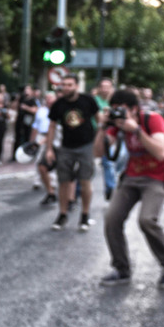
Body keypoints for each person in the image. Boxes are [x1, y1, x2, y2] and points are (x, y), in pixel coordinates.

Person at [95, 89, 164, 287]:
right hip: (132, 176)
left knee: (146, 220)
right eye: (114, 110)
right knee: (112, 218)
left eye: (122, 110)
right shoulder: (117, 124)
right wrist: (102, 127)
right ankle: (121, 268)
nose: (118, 114)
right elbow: (99, 152)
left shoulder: (152, 119)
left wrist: (136, 130)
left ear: (134, 109)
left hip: (157, 177)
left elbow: (160, 153)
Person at [45, 74, 100, 231]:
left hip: (86, 145)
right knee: (64, 181)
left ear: (76, 86)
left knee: (85, 181)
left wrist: (98, 142)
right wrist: (49, 149)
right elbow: (52, 127)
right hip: (66, 147)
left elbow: (99, 119)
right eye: (64, 85)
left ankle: (85, 215)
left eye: (69, 85)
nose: (66, 87)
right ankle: (62, 214)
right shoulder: (58, 105)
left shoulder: (87, 100)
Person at [29, 91, 58, 205]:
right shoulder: (40, 111)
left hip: (53, 137)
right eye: (47, 98)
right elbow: (35, 125)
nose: (48, 100)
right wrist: (33, 140)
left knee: (51, 160)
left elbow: (55, 128)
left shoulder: (57, 110)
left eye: (51, 98)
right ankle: (38, 181)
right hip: (41, 135)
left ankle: (52, 182)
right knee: (39, 161)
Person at [13, 85, 38, 160]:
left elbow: (35, 110)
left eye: (28, 89)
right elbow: (14, 107)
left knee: (27, 137)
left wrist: (26, 107)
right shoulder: (22, 98)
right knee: (17, 138)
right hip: (20, 121)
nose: (26, 91)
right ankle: (15, 155)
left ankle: (26, 154)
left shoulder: (33, 100)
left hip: (28, 121)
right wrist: (17, 99)